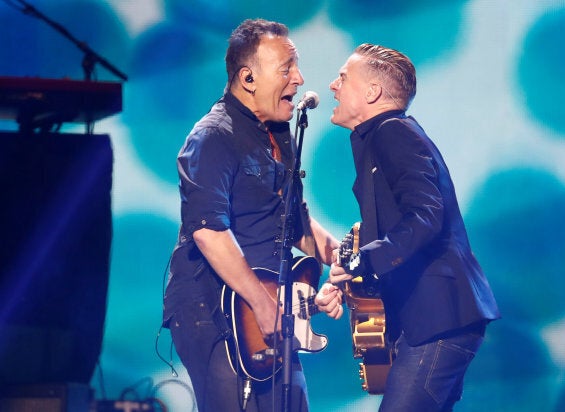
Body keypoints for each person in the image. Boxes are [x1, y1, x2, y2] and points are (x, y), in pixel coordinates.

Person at [162, 19, 339, 412]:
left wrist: (341, 257)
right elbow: (209, 232)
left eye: (297, 66)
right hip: (212, 312)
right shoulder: (212, 137)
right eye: (287, 69)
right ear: (248, 78)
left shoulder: (279, 132)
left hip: (268, 308)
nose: (299, 78)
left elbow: (294, 223)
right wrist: (261, 303)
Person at [315, 43, 500, 411]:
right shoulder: (382, 137)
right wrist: (351, 276)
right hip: (433, 321)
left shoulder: (392, 132)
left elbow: (425, 216)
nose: (333, 86)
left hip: (438, 321)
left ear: (372, 92)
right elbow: (399, 234)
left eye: (343, 77)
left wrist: (360, 262)